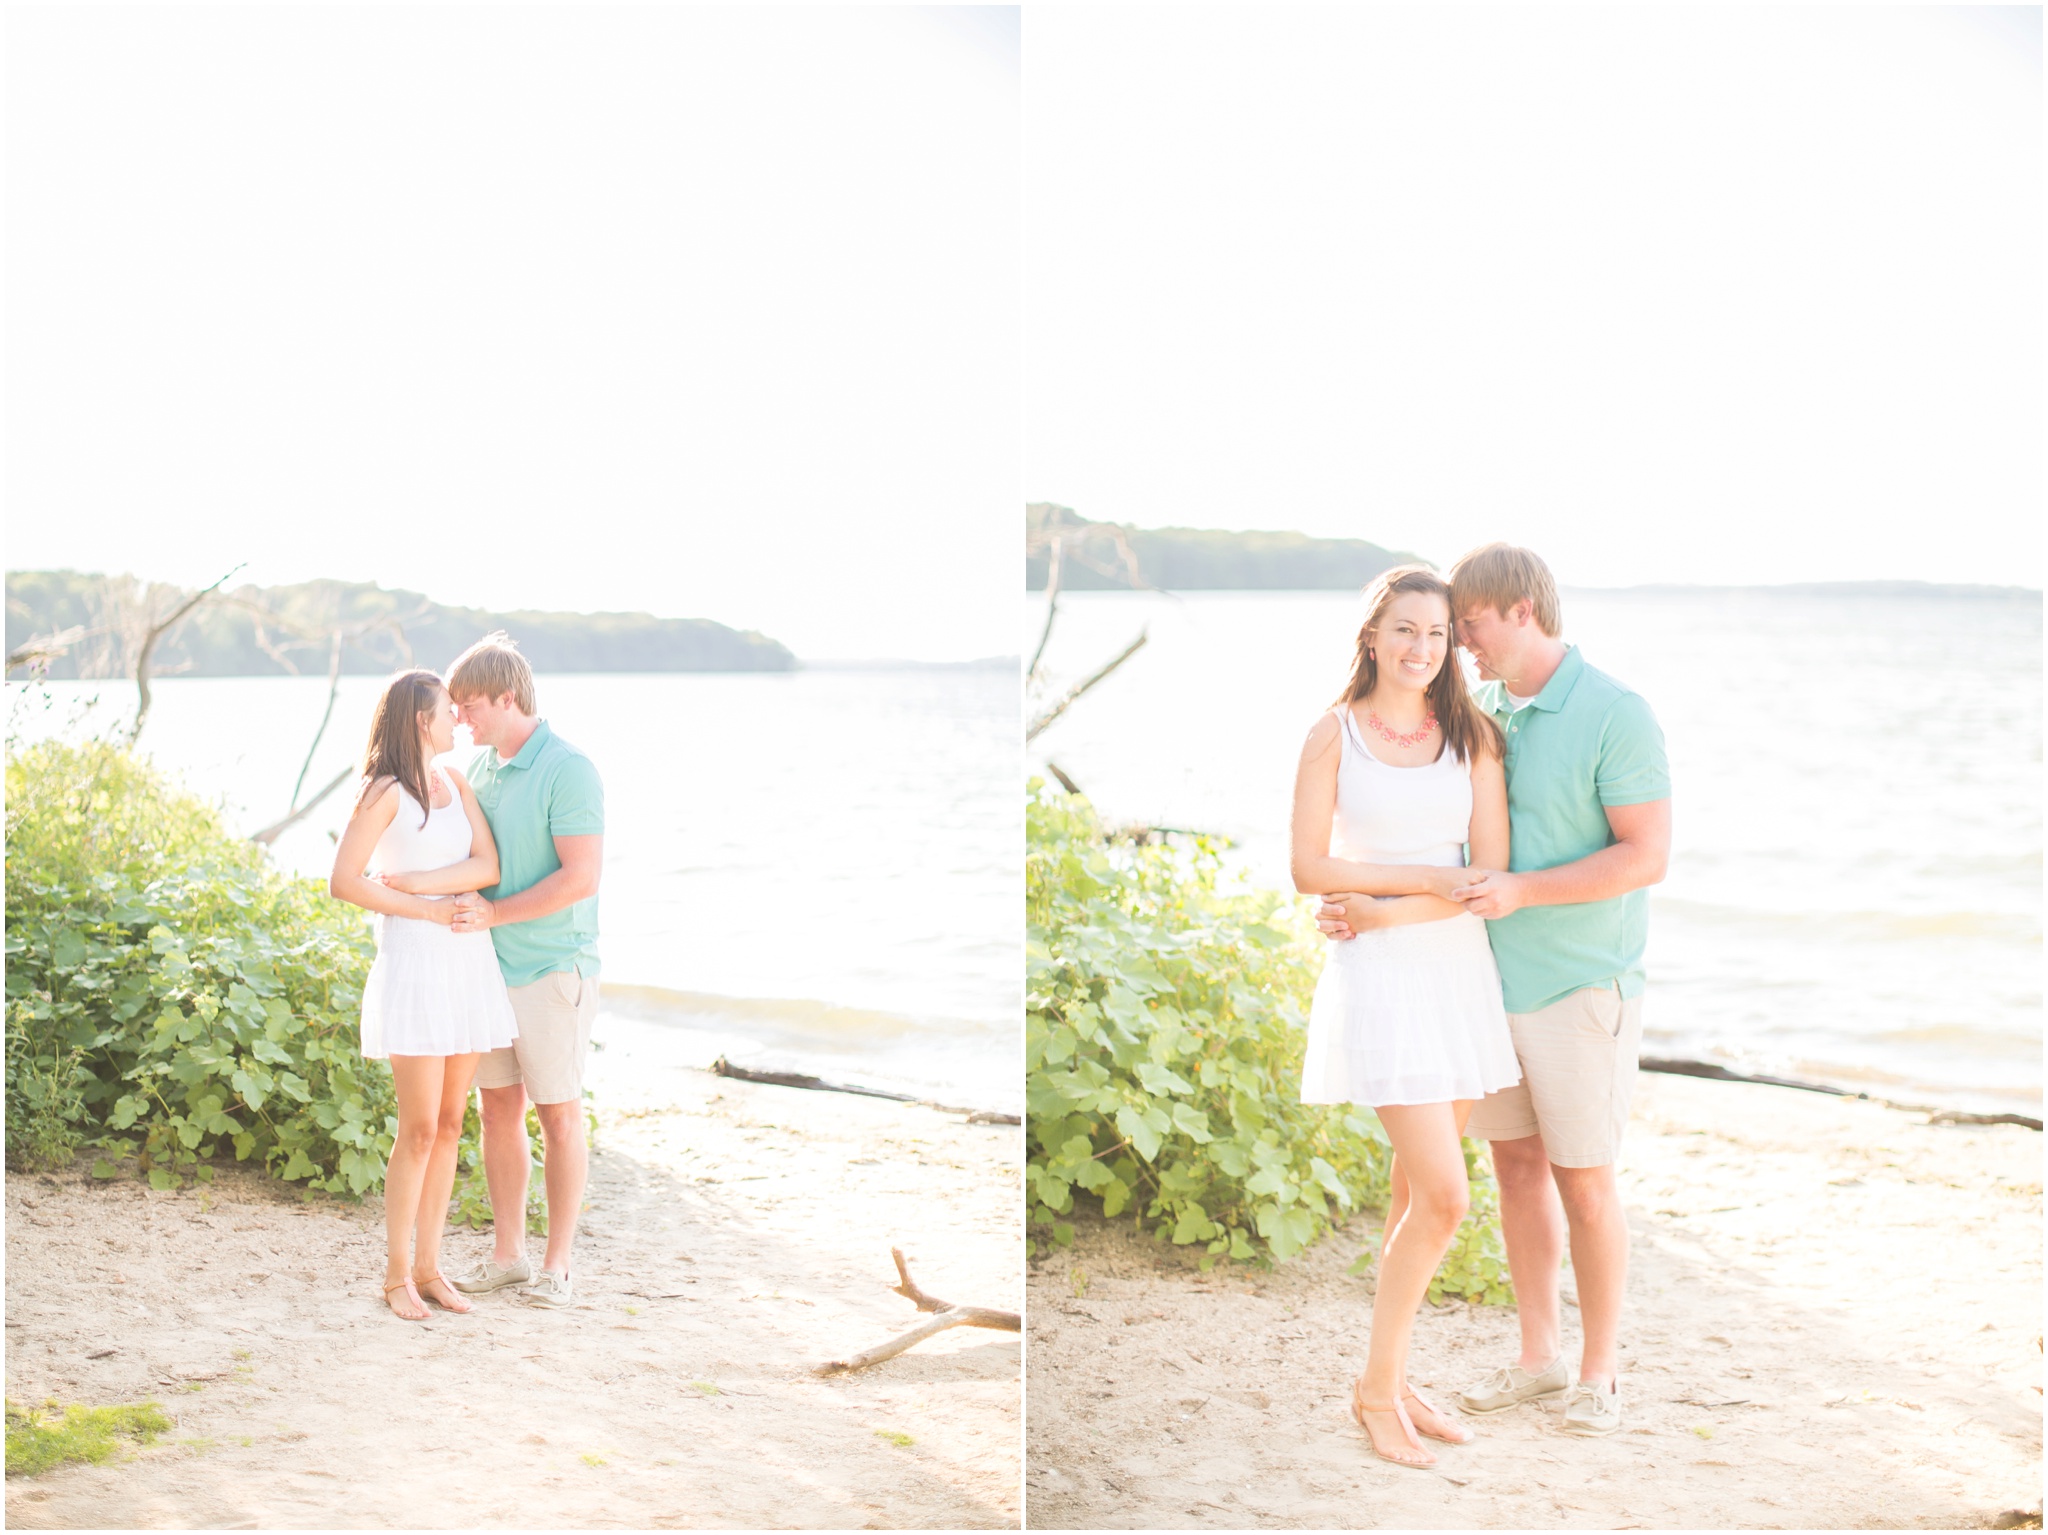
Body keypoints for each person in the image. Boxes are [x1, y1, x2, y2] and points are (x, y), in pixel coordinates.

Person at [1322, 543, 1671, 1436]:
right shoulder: (1490, 718)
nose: (1455, 645)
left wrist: (1520, 890)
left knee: (1585, 1183)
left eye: (1464, 625)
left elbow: (1647, 856)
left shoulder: (1614, 711)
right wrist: (1367, 901)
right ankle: (1538, 1358)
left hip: (1579, 984)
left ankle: (1601, 1374)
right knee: (1515, 1170)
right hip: (1482, 986)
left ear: (1517, 609)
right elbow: (1442, 841)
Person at [1291, 565, 1520, 1469]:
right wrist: (1421, 881)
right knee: (1447, 1196)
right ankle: (1375, 1391)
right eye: (1405, 631)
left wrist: (1396, 900)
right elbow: (1311, 868)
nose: (1422, 649)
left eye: (1435, 634)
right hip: (1378, 976)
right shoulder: (1331, 735)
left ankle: (1393, 1373)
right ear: (1372, 636)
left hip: (1455, 972)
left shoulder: (1476, 736)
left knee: (1409, 1194)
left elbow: (1487, 877)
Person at [329, 669, 519, 1322]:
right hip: (416, 964)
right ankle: (394, 1273)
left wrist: (419, 882)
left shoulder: (455, 781)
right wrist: (426, 909)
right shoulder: (384, 791)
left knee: (449, 1125)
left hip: (467, 966)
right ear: (419, 719)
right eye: (447, 712)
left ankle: (431, 1267)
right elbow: (344, 881)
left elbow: (487, 867)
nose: (457, 722)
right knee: (416, 1129)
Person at [432, 633, 605, 1311]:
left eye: (471, 707)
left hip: (552, 970)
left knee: (559, 1115)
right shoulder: (481, 772)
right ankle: (509, 1256)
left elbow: (580, 877)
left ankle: (558, 1265)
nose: (463, 720)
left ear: (509, 698)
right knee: (497, 1108)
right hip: (488, 973)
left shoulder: (570, 769)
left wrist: (495, 915)